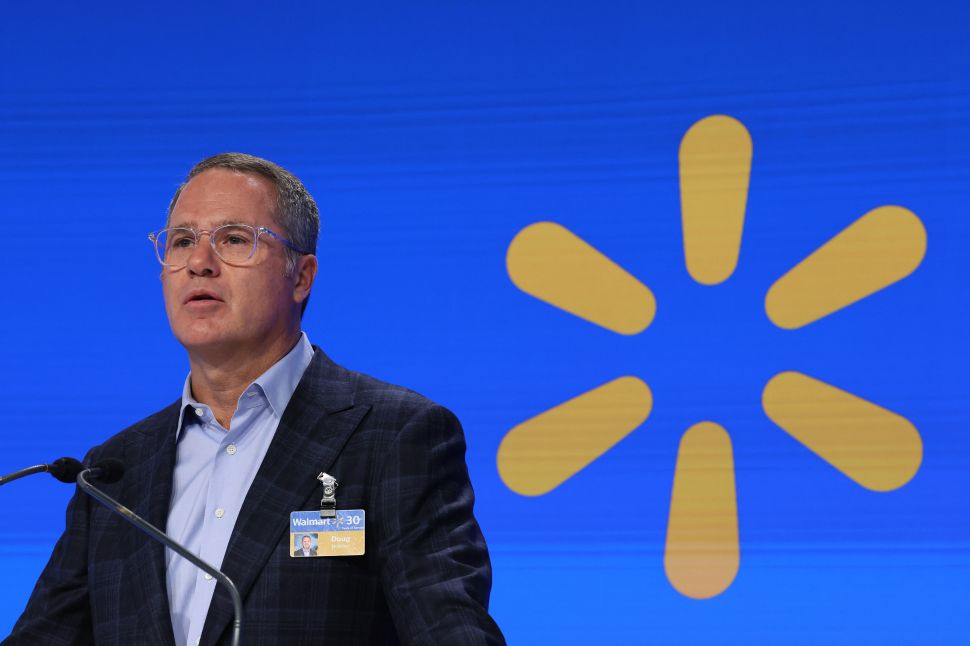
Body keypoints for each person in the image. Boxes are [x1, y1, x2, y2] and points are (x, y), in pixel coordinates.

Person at [4, 153, 505, 645]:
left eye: (234, 240)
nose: (199, 264)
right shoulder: (113, 473)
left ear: (301, 276)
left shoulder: (394, 435)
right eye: (181, 242)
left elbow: (448, 629)